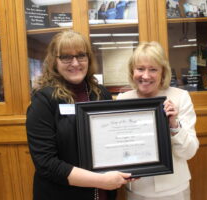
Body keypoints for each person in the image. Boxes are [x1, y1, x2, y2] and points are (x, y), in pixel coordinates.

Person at [26, 30, 132, 200]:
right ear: (54, 61)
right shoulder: (43, 100)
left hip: (104, 193)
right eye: (66, 57)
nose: (75, 63)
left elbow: (113, 141)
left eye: (81, 56)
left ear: (88, 59)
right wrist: (101, 180)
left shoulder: (101, 93)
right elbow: (46, 164)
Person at [117, 41, 199, 200]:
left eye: (153, 69)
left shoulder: (180, 98)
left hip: (174, 190)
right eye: (140, 69)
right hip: (137, 188)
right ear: (132, 71)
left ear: (163, 72)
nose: (145, 76)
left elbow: (189, 152)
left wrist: (174, 125)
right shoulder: (123, 99)